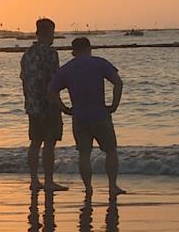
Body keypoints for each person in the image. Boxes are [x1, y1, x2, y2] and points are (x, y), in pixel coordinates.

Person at [49, 37, 125, 199]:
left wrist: (63, 108)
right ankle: (112, 186)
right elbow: (118, 83)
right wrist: (114, 104)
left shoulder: (67, 69)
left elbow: (52, 91)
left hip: (79, 116)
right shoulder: (100, 63)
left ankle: (88, 188)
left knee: (84, 154)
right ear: (89, 48)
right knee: (111, 150)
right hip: (100, 114)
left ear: (73, 52)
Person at [20, 18, 67, 192]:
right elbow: (55, 79)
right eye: (53, 33)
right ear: (49, 33)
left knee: (35, 142)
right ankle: (48, 181)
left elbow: (24, 79)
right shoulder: (50, 53)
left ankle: (34, 180)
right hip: (48, 104)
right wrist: (61, 103)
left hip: (32, 104)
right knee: (49, 143)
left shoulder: (27, 54)